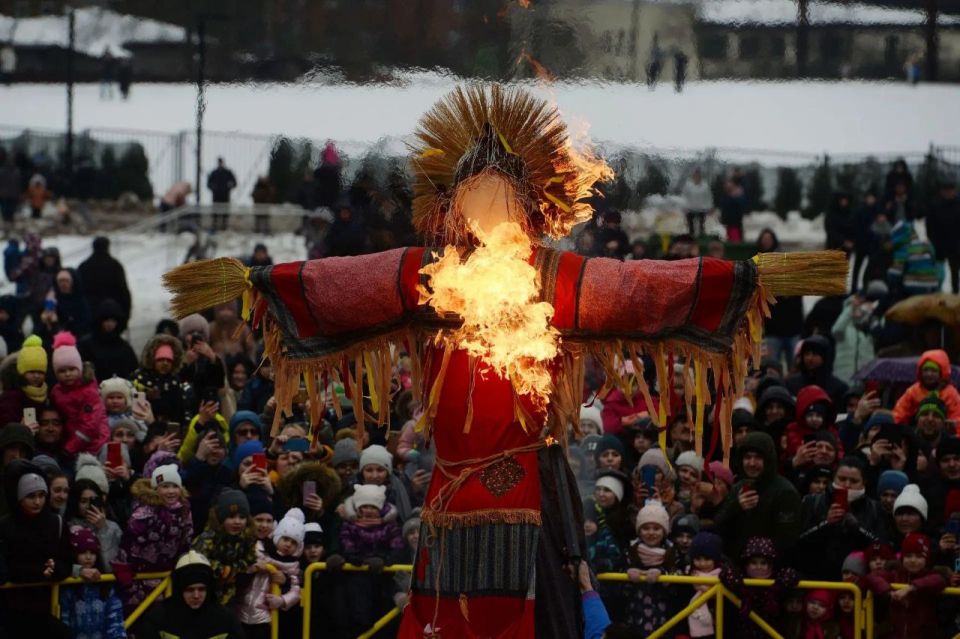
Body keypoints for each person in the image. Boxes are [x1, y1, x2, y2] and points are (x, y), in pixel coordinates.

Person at [0, 460, 72, 638]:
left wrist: (55, 569)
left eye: (42, 495)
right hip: (11, 611)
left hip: (47, 606)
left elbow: (67, 561)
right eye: (31, 496)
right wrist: (38, 571)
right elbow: (6, 567)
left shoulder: (56, 523)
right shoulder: (5, 526)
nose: (37, 502)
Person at [115, 462, 193, 614]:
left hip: (166, 579)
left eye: (174, 486)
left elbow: (186, 543)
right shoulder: (143, 514)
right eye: (165, 486)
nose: (171, 491)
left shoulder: (185, 511)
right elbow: (127, 545)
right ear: (156, 489)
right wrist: (126, 578)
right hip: (138, 581)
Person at [716, 431, 802, 558]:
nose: (751, 463)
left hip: (768, 569)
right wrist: (737, 507)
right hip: (736, 566)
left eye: (758, 457)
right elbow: (719, 527)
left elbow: (787, 540)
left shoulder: (785, 492)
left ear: (768, 460)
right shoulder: (738, 488)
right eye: (747, 457)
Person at [136, 550, 245, 639]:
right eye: (189, 590)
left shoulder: (226, 620)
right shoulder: (158, 618)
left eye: (201, 589)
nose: (196, 595)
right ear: (179, 590)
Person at [864, 532, 948, 638]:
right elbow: (872, 577)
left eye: (918, 556)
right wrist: (890, 592)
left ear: (926, 559)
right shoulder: (895, 574)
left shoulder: (930, 575)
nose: (913, 560)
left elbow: (940, 580)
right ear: (902, 558)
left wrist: (911, 588)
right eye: (908, 556)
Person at [191, 488, 257, 606]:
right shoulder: (207, 538)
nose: (237, 522)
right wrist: (229, 571)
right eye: (231, 517)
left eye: (242, 517)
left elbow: (250, 562)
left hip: (229, 597)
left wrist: (237, 570)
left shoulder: (247, 538)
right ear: (221, 518)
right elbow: (200, 565)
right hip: (203, 597)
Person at [59, 525, 126, 639]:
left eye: (93, 552)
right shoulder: (67, 586)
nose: (88, 557)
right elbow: (64, 621)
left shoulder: (106, 585)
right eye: (83, 552)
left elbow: (115, 621)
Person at [50, 332, 110, 457]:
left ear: (79, 368)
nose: (67, 374)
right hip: (71, 444)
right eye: (62, 371)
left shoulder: (88, 392)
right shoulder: (56, 391)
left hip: (94, 445)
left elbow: (90, 426)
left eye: (72, 369)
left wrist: (69, 448)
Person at [893, 349, 960, 424]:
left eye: (933, 371)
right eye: (925, 370)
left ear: (941, 373)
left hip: (943, 433)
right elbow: (899, 413)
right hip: (916, 432)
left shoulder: (950, 394)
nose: (929, 374)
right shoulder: (913, 391)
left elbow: (957, 417)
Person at [79, 300, 138, 381]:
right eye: (106, 320)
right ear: (100, 321)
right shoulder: (86, 345)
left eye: (113, 320)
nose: (110, 324)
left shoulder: (124, 347)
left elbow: (134, 372)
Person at [785, 336, 850, 408]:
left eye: (815, 354)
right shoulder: (791, 384)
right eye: (807, 354)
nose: (810, 358)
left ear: (824, 357)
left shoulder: (839, 388)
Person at [77, 237, 131, 321]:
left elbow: (78, 291)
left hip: (90, 312)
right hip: (112, 314)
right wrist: (125, 315)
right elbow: (123, 291)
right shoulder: (115, 266)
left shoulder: (84, 266)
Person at [207, 157, 237, 231]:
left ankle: (224, 226)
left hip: (225, 195)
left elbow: (234, 182)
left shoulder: (228, 172)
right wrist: (213, 187)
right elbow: (208, 184)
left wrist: (229, 186)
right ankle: (215, 226)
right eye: (219, 162)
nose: (220, 164)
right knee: (215, 212)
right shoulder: (214, 173)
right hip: (216, 196)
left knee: (225, 212)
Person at [681, 168, 712, 237]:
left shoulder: (705, 186)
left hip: (702, 208)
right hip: (690, 208)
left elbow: (708, 197)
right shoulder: (688, 185)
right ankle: (691, 239)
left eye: (698, 175)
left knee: (701, 226)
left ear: (700, 176)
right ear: (693, 176)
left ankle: (701, 238)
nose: (697, 177)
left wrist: (709, 207)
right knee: (690, 226)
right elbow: (684, 197)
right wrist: (684, 207)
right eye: (695, 175)